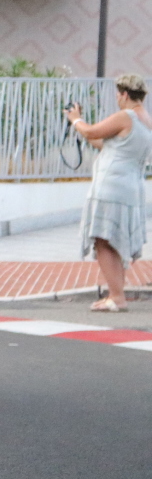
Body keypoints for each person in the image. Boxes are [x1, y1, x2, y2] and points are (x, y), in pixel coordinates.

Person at [67, 74, 152, 312]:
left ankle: (116, 296)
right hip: (131, 187)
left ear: (125, 94)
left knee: (102, 240)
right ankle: (116, 295)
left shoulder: (126, 116)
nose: (117, 98)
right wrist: (81, 130)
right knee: (116, 241)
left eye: (117, 94)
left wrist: (76, 120)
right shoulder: (146, 121)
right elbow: (109, 145)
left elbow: (92, 132)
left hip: (110, 186)